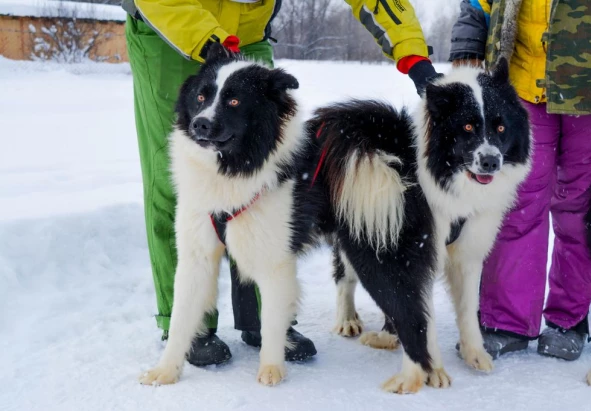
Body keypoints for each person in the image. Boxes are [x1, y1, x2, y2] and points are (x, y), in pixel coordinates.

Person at [122, 0, 442, 367]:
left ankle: (267, 321)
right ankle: (188, 328)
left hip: (248, 33)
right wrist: (211, 42)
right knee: (178, 190)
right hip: (168, 27)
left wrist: (413, 54)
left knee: (266, 185)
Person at [449, 0, 591, 360]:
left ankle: (569, 319)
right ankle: (506, 320)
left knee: (581, 205)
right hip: (521, 80)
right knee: (516, 200)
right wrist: (468, 38)